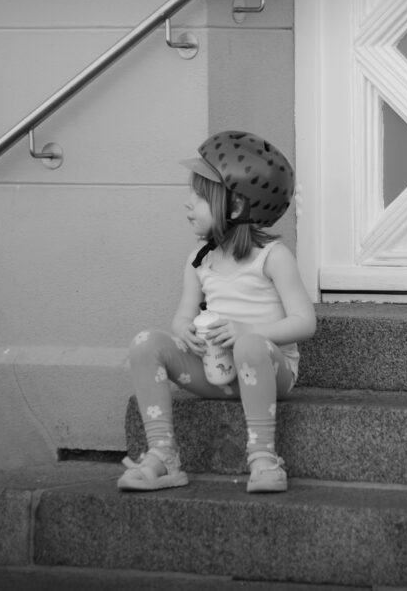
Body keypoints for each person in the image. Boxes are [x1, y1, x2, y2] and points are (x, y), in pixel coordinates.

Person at [118, 131, 316, 494]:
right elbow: (182, 316)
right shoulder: (200, 260)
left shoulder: (273, 257)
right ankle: (163, 456)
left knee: (250, 345)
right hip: (215, 371)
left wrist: (248, 331)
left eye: (200, 197)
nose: (187, 204)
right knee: (145, 343)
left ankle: (263, 458)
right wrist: (185, 331)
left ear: (236, 207)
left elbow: (305, 322)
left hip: (269, 372)